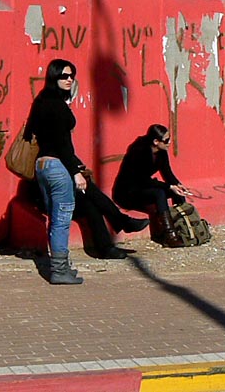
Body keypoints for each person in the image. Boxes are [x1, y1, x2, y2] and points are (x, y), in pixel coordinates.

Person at [24, 59, 148, 285]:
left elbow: (33, 135)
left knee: (71, 210)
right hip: (57, 168)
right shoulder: (57, 106)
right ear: (53, 77)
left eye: (72, 75)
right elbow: (63, 146)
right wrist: (75, 172)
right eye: (63, 76)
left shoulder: (40, 102)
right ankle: (59, 270)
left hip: (42, 166)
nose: (69, 79)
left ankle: (66, 264)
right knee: (61, 220)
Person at [112, 124, 186, 247]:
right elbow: (141, 179)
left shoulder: (161, 152)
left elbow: (167, 172)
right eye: (166, 140)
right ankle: (169, 235)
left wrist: (177, 185)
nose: (169, 143)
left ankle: (184, 225)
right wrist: (168, 186)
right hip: (127, 192)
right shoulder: (138, 151)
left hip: (143, 187)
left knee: (176, 191)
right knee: (160, 193)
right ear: (156, 141)